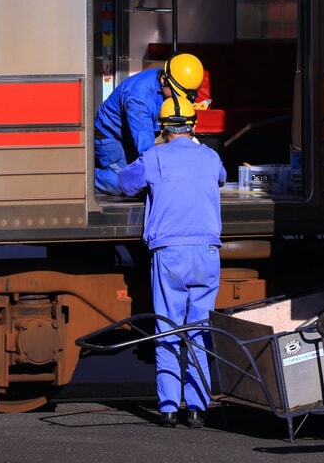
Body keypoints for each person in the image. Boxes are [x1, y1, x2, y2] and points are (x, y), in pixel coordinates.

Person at [116, 95, 225, 428]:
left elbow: (125, 183)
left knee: (168, 328)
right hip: (207, 252)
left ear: (162, 129)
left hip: (170, 254)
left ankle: (167, 408)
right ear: (193, 126)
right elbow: (221, 177)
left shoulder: (154, 157)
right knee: (200, 330)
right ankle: (197, 408)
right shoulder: (210, 157)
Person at [94, 52, 204, 196]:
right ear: (164, 80)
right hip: (110, 136)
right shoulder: (139, 97)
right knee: (128, 184)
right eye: (176, 95)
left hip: (133, 136)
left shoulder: (174, 80)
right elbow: (146, 147)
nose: (178, 100)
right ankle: (87, 179)